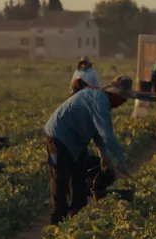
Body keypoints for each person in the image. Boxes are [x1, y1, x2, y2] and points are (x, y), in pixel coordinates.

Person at [44, 76, 135, 225]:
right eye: (122, 98)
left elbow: (98, 133)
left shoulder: (102, 101)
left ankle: (77, 216)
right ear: (113, 93)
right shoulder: (100, 101)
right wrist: (120, 161)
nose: (123, 102)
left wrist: (104, 155)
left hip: (76, 141)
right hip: (59, 136)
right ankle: (57, 220)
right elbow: (107, 136)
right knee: (61, 177)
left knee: (79, 175)